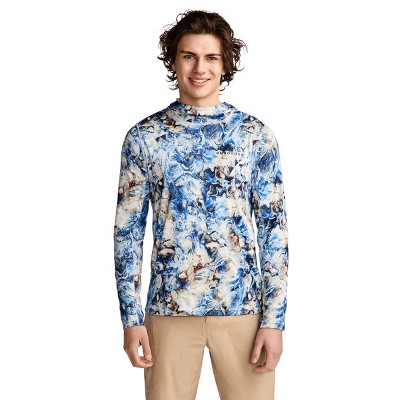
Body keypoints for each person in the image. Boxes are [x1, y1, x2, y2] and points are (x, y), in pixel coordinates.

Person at [113, 9, 289, 400]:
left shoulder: (255, 136)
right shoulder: (144, 137)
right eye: (189, 56)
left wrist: (274, 320)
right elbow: (127, 233)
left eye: (211, 57)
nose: (199, 68)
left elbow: (274, 231)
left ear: (225, 64)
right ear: (174, 61)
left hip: (244, 311)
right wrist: (131, 317)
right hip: (168, 311)